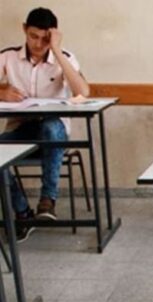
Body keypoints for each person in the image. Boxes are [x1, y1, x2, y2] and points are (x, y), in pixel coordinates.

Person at [0, 7, 90, 241]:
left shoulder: (64, 58)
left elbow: (83, 92)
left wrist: (56, 50)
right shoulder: (8, 57)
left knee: (51, 125)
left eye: (45, 38)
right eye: (33, 36)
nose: (38, 44)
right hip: (21, 131)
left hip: (54, 134)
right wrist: (2, 92)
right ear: (24, 30)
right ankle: (22, 213)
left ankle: (47, 201)